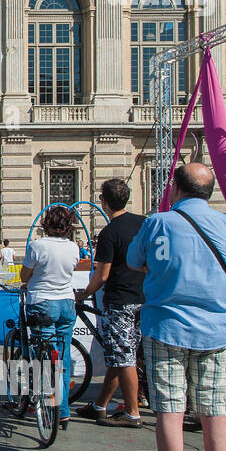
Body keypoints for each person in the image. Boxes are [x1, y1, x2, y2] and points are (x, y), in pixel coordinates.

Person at [127, 163, 226, 451]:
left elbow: (134, 260)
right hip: (217, 329)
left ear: (175, 189)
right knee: (215, 414)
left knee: (170, 412)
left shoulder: (158, 222)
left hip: (166, 327)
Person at [75, 179, 145, 428]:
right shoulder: (143, 223)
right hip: (144, 298)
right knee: (121, 354)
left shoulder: (109, 232)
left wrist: (83, 294)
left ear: (103, 202)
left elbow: (102, 275)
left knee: (123, 358)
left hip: (120, 300)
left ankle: (132, 413)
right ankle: (100, 405)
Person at [20, 206, 81, 425]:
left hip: (42, 302)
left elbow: (24, 275)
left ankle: (42, 402)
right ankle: (63, 410)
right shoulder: (74, 247)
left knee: (42, 354)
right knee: (61, 357)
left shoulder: (37, 246)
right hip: (66, 302)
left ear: (46, 223)